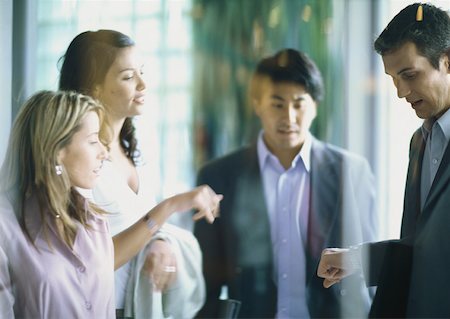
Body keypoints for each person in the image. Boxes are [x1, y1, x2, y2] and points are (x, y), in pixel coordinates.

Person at [0, 90, 221, 318]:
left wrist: (170, 207)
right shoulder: (5, 226)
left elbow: (109, 264)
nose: (104, 153)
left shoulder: (93, 219)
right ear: (56, 149)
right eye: (93, 141)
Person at [194, 48, 378, 318]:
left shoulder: (351, 171)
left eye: (299, 103)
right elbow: (206, 281)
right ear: (257, 104)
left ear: (315, 105)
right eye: (277, 104)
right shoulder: (220, 176)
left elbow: (367, 265)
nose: (289, 118)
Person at [58, 30, 208, 319]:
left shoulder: (139, 152)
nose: (143, 84)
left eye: (142, 72)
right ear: (94, 87)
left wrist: (162, 241)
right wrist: (169, 207)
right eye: (128, 77)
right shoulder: (76, 161)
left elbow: (148, 228)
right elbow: (87, 259)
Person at [317, 2, 450, 317]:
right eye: (393, 78)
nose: (401, 92)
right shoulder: (420, 142)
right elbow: (420, 245)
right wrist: (359, 259)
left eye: (410, 75)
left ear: (447, 61)